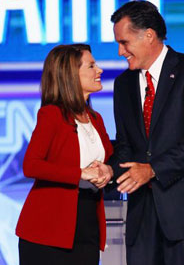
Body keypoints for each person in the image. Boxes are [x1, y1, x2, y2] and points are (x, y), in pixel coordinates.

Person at [108, 0, 184, 265]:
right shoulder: (123, 84)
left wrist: (152, 169)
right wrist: (111, 170)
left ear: (149, 35)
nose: (119, 51)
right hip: (142, 213)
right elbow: (126, 144)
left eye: (124, 42)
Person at [16, 44, 114, 265]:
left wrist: (108, 170)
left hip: (87, 225)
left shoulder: (95, 118)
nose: (99, 70)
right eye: (91, 66)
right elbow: (31, 165)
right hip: (49, 230)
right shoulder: (51, 115)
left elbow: (109, 158)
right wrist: (80, 173)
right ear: (71, 75)